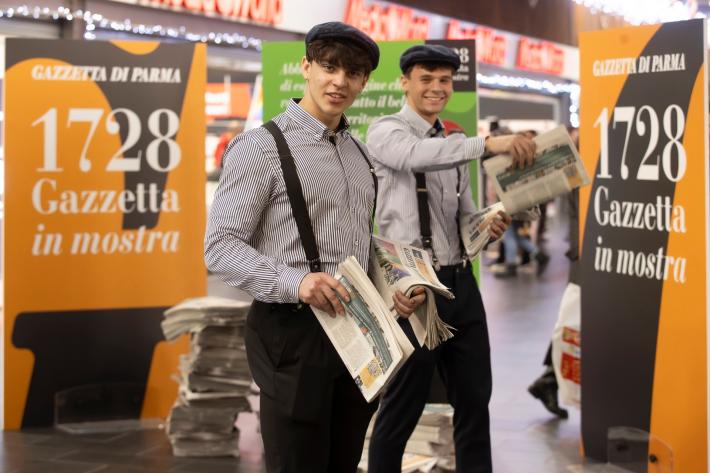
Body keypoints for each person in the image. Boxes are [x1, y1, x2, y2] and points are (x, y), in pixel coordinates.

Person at [204, 22, 425, 473]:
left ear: (364, 82)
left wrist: (394, 287)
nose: (339, 82)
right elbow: (220, 247)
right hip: (292, 332)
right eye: (329, 67)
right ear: (306, 67)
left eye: (353, 73)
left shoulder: (360, 155)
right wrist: (297, 282)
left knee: (344, 459)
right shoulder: (260, 148)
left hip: (357, 330)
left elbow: (357, 243)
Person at [365, 44, 537, 473]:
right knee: (402, 406)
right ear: (405, 83)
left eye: (444, 80)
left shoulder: (455, 143)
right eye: (426, 79)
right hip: (415, 289)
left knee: (475, 399)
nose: (436, 88)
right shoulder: (386, 131)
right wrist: (489, 143)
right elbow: (414, 156)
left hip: (460, 282)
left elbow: (465, 217)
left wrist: (487, 226)